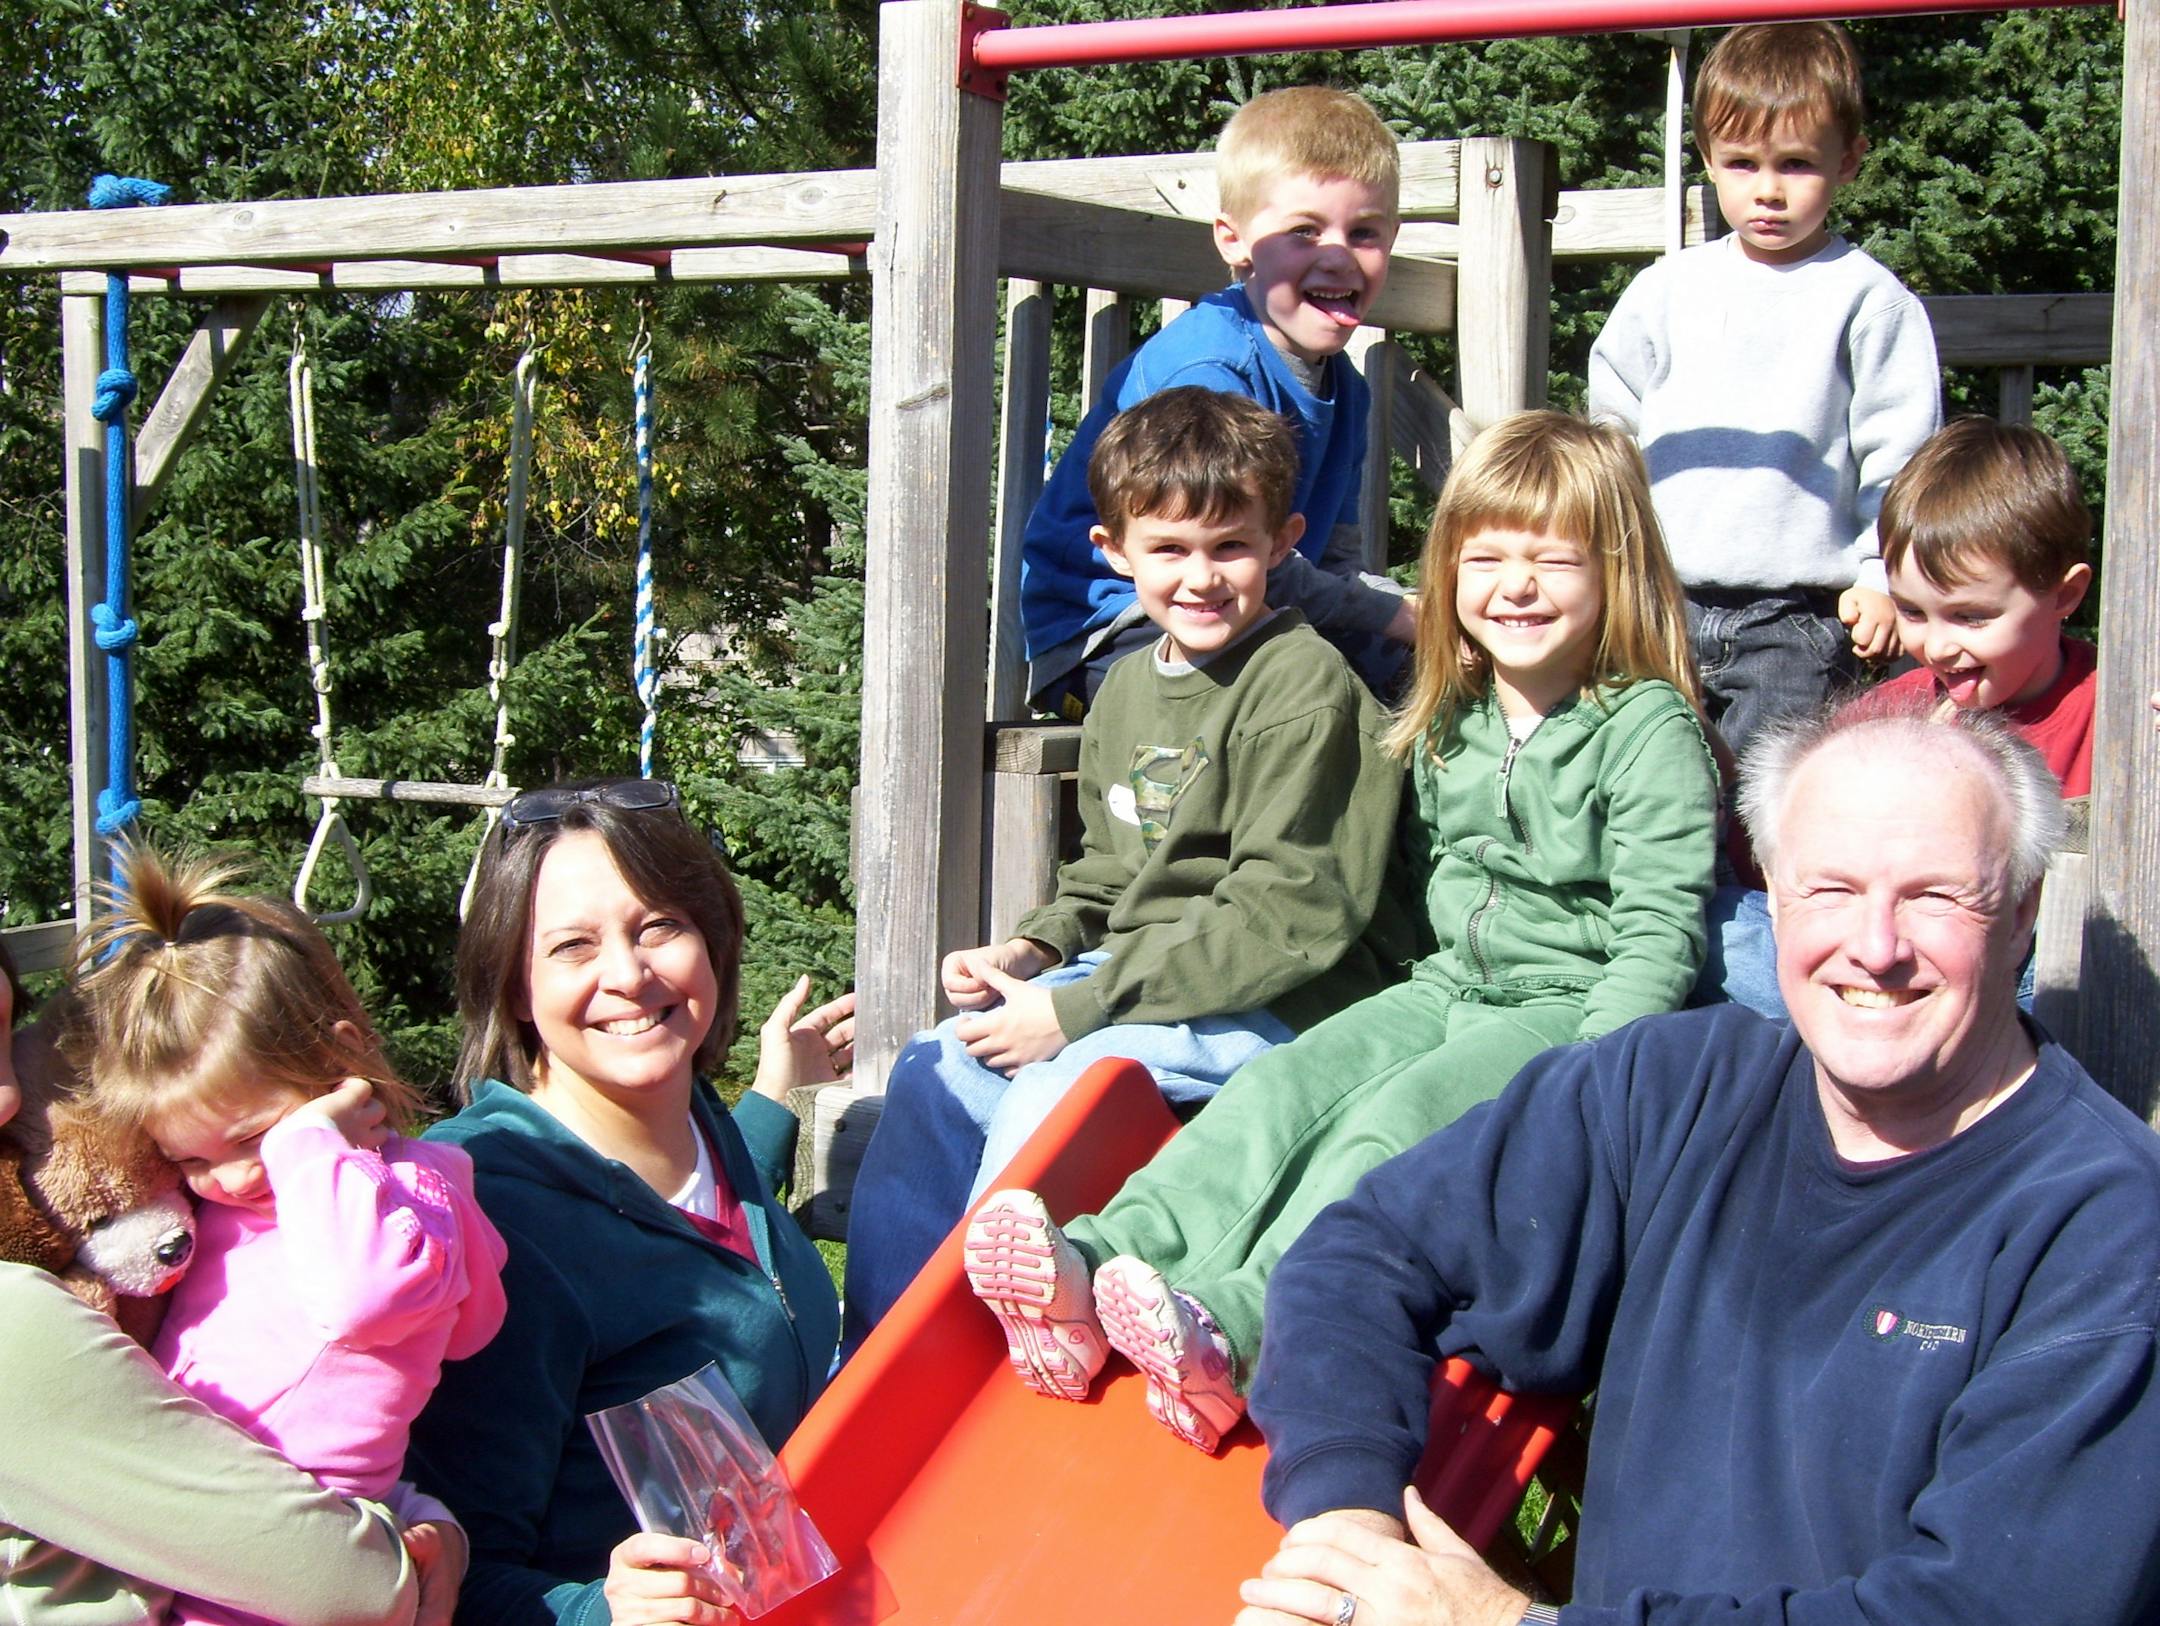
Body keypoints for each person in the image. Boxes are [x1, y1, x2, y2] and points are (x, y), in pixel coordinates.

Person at [1238, 695, 2160, 1626]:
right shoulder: (1669, 1090)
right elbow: (1363, 1254)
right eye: (1830, 889)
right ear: (1771, 892)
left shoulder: (2107, 1230)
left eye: (1933, 895)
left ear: (2023, 912)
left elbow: (1986, 1610)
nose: (1875, 947)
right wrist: (1346, 1533)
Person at [967, 411, 1719, 1453]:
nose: (1517, 587)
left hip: (1562, 1009)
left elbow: (1656, 933)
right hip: (1443, 985)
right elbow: (1411, 888)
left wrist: (1591, 1076)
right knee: (1283, 1092)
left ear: (1617, 572)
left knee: (1384, 1127)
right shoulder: (1453, 715)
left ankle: (1238, 1333)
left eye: (1554, 561)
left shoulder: (1645, 728)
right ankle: (1097, 1265)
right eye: (1487, 558)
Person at [843, 387, 1414, 1346]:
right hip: (1160, 979)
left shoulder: (1299, 684)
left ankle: (989, 1345)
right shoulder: (1128, 691)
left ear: (1284, 543)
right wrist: (1032, 951)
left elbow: (1288, 918)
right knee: (934, 1065)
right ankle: (880, 1351)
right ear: (1114, 552)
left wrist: (1076, 1011)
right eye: (1169, 550)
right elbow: (1111, 877)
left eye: (1230, 546)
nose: (1200, 578)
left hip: (1295, 997)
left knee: (1053, 1082)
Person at [406, 779, 852, 1625]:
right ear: (512, 985)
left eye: (659, 927)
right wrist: (599, 1612)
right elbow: (439, 1572)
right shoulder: (487, 1218)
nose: (629, 975)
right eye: (573, 946)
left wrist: (774, 1095)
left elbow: (697, 1251)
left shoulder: (694, 1117)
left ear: (711, 940)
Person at [66, 845, 507, 1626]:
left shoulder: (411, 1193)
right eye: (191, 1158)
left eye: (255, 1138)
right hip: (199, 1534)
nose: (230, 1180)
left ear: (340, 1063)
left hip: (298, 1555)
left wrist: (308, 1146)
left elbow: (371, 1307)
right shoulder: (241, 1203)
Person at [1588, 21, 1941, 760]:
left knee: (1769, 793)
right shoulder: (1669, 290)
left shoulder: (1867, 301)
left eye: (1797, 164)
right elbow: (1611, 428)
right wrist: (1606, 557)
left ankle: (1765, 882)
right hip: (1661, 599)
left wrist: (1882, 578)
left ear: (1848, 161)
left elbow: (1901, 463)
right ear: (1709, 163)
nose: (1768, 191)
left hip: (1799, 616)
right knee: (1650, 773)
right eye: (1742, 163)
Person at [1021, 85, 1416, 718]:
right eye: (1304, 231)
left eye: (1364, 232)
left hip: (1247, 604)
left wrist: (1425, 624)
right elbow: (1214, 551)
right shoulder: (1209, 370)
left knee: (1436, 679)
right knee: (1305, 693)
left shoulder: (1349, 389)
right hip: (1119, 629)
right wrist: (1400, 615)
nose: (1339, 256)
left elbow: (1336, 561)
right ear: (1235, 242)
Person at [1703, 417, 2093, 1017]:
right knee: (1714, 924)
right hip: (1882, 953)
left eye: (1971, 617)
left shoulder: (2112, 710)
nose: (1936, 646)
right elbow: (1774, 859)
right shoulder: (1889, 717)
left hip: (2031, 974)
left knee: (2076, 970)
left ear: (2064, 596)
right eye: (1913, 611)